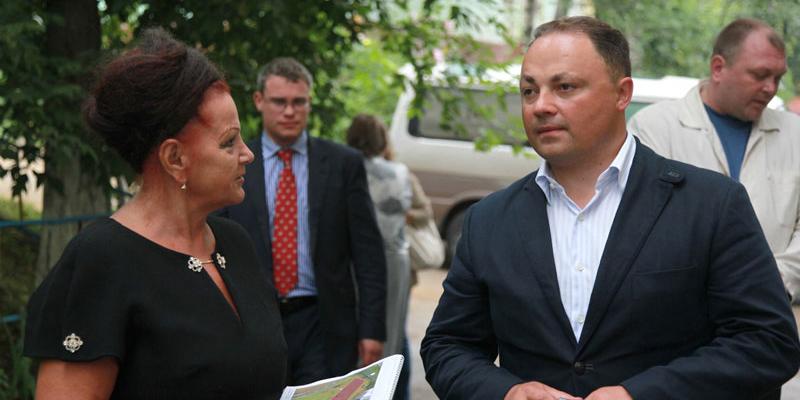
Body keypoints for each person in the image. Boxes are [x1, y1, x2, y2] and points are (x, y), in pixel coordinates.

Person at [420, 16, 800, 400]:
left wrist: (640, 394)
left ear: (622, 94)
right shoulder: (490, 220)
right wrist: (509, 392)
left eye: (565, 87)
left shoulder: (710, 204)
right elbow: (447, 346)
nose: (541, 106)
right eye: (529, 91)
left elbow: (769, 341)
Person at [24, 28, 287, 399]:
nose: (248, 154)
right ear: (174, 158)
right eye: (229, 142)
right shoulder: (101, 259)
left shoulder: (235, 243)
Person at [218, 58, 386, 385]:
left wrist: (372, 329)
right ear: (259, 101)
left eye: (299, 102)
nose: (289, 112)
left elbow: (369, 254)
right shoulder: (235, 164)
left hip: (322, 322)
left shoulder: (342, 164)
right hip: (255, 321)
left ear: (309, 103)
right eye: (279, 102)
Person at [628, 18, 800, 303]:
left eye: (777, 78)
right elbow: (642, 227)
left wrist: (771, 281)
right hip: (679, 309)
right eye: (760, 75)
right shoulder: (654, 128)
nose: (771, 88)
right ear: (718, 68)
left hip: (773, 307)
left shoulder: (795, 134)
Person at [346, 114, 412, 400]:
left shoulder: (345, 168)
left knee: (358, 326)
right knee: (392, 332)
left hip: (355, 259)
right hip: (395, 259)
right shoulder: (399, 172)